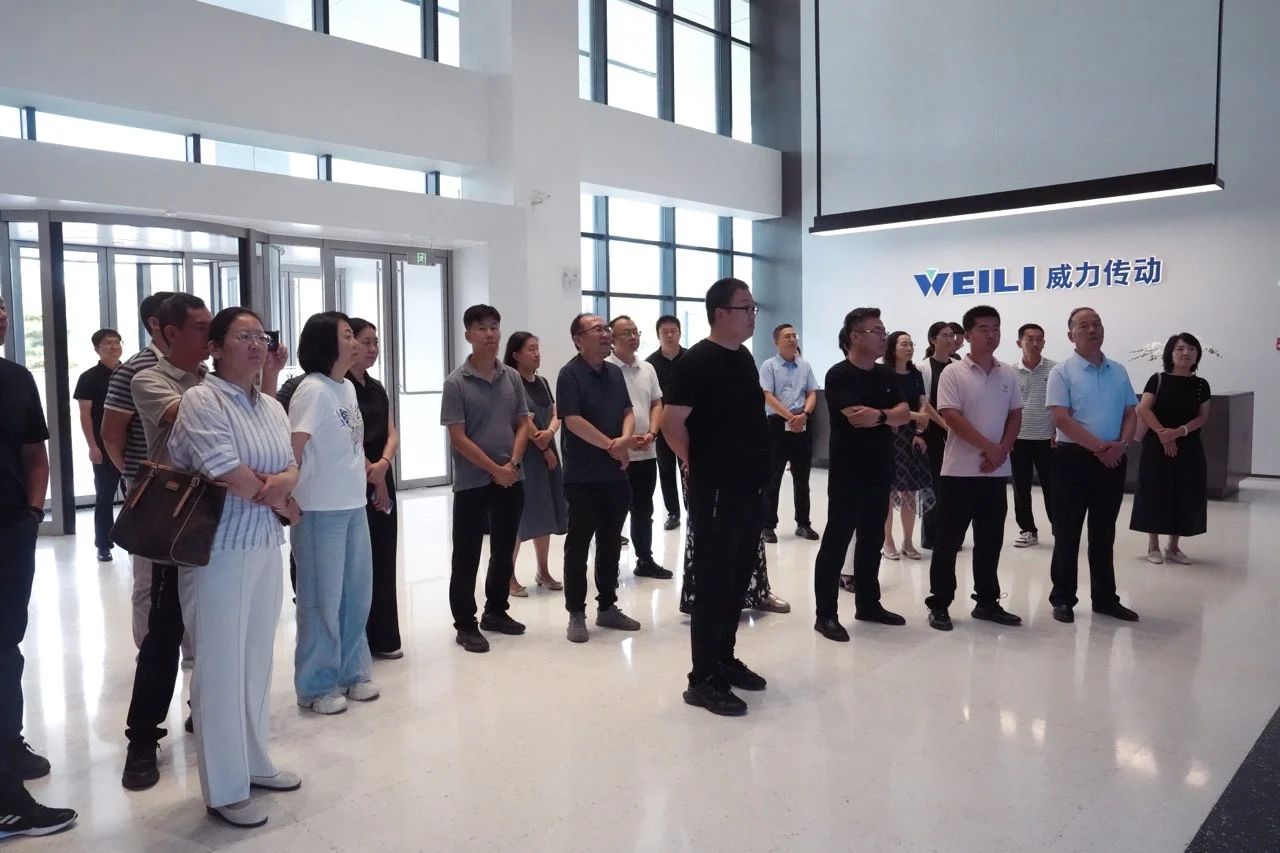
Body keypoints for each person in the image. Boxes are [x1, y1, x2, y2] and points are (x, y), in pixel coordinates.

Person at [167, 307, 302, 828]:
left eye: (260, 336)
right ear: (216, 347)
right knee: (220, 667)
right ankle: (224, 788)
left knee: (255, 660)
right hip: (216, 551)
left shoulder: (270, 405)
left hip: (264, 543)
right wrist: (278, 491)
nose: (255, 344)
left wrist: (281, 484)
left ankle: (254, 762)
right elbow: (225, 470)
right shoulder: (202, 400)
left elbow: (291, 464)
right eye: (243, 336)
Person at [663, 278, 771, 716]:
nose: (752, 315)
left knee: (737, 577)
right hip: (716, 491)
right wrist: (698, 464)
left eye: (753, 307)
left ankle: (724, 659)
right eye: (746, 308)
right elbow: (672, 424)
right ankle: (702, 679)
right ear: (721, 313)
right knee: (713, 581)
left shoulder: (742, 357)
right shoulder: (697, 361)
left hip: (748, 486)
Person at [120, 294, 213, 791]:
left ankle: (209, 708)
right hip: (175, 516)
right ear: (169, 332)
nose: (209, 336)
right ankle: (142, 738)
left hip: (219, 510)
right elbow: (190, 418)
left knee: (214, 627)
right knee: (163, 633)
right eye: (200, 327)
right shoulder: (149, 378)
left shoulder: (212, 380)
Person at [0, 294, 78, 839]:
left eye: (3, 307)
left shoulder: (15, 378)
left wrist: (31, 513)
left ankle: (7, 746)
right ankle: (6, 800)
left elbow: (34, 453)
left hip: (10, 529)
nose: (2, 316)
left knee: (6, 646)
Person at [290, 311, 380, 710]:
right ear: (326, 343)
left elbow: (351, 447)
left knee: (356, 595)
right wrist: (287, 497)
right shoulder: (313, 390)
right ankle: (316, 686)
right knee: (320, 600)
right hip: (319, 509)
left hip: (352, 504)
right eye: (348, 335)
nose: (356, 342)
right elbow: (293, 448)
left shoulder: (345, 389)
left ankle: (352, 672)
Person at [924, 305, 1024, 631]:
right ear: (967, 335)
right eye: (983, 328)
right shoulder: (953, 372)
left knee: (990, 540)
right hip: (959, 473)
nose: (991, 334)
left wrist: (1001, 450)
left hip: (995, 472)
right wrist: (989, 448)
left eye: (996, 328)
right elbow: (951, 416)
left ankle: (987, 602)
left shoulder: (1008, 373)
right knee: (948, 541)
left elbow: (1015, 415)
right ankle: (940, 603)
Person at [813, 307, 910, 642]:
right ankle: (825, 615)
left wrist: (880, 416)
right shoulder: (839, 374)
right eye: (876, 331)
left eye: (884, 331)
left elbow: (903, 414)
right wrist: (889, 415)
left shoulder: (887, 375)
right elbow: (857, 417)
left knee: (872, 540)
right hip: (848, 471)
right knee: (837, 542)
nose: (884, 336)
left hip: (881, 468)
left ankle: (869, 604)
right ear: (855, 337)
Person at [441, 305, 532, 653]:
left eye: (495, 327)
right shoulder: (456, 382)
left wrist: (513, 463)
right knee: (467, 555)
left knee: (504, 548)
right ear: (468, 335)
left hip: (511, 476)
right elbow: (458, 437)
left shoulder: (511, 377)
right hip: (473, 482)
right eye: (482, 328)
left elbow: (522, 422)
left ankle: (496, 610)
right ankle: (466, 623)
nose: (490, 334)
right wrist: (496, 470)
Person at [1046, 307, 1140, 624]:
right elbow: (1061, 419)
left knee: (1103, 532)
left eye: (1097, 324)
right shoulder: (1062, 372)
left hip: (1113, 459)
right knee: (1067, 532)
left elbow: (1130, 413)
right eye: (1084, 325)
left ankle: (1105, 599)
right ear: (1070, 334)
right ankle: (1063, 599)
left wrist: (1121, 445)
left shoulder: (1119, 371)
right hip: (1072, 460)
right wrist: (1099, 448)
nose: (1092, 329)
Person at [557, 313, 642, 643]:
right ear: (578, 340)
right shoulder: (569, 374)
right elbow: (573, 420)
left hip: (615, 474)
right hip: (582, 476)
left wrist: (624, 441)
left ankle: (607, 606)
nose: (606, 334)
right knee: (578, 546)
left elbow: (628, 411)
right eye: (598, 330)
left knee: (610, 543)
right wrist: (611, 445)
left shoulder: (614, 373)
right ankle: (576, 613)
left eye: (606, 329)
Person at [100, 291, 177, 650]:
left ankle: (190, 650)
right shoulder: (135, 369)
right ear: (157, 324)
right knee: (147, 576)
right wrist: (135, 477)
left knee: (189, 570)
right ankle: (149, 651)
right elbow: (111, 434)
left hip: (194, 485)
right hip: (150, 487)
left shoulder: (198, 369)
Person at [346, 318, 403, 659]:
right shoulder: (340, 387)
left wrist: (383, 465)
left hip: (381, 473)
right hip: (356, 477)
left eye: (375, 342)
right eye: (366, 342)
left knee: (383, 555)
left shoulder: (377, 387)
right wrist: (373, 472)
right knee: (358, 561)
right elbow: (347, 439)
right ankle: (359, 638)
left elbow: (392, 432)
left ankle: (385, 636)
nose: (372, 348)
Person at [1130, 333, 1211, 565]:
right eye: (1180, 349)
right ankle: (1153, 544)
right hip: (1156, 446)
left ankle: (1173, 547)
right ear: (1170, 353)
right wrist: (1164, 435)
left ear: (1197, 354)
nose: (1186, 353)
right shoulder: (1157, 379)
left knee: (1185, 492)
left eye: (1191, 349)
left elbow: (1203, 417)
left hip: (1189, 446)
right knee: (1155, 491)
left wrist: (1179, 432)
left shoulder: (1201, 385)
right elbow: (1144, 409)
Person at [607, 315, 672, 579]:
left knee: (644, 510)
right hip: (616, 454)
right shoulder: (605, 369)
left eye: (636, 332)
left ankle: (645, 560)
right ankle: (608, 566)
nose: (633, 337)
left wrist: (653, 433)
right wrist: (623, 440)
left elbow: (657, 403)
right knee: (613, 511)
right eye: (627, 333)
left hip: (646, 452)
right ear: (612, 339)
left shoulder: (647, 369)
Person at [504, 332, 565, 593]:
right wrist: (543, 445)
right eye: (531, 349)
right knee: (519, 515)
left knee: (546, 510)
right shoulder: (510, 382)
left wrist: (550, 432)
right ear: (516, 354)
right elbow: (522, 419)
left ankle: (543, 570)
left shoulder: (542, 382)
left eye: (537, 348)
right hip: (525, 454)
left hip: (546, 450)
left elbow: (556, 412)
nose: (537, 353)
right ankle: (508, 576)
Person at [759, 323, 820, 543]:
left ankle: (803, 524)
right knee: (772, 477)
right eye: (787, 336)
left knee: (802, 478)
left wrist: (804, 414)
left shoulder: (805, 365)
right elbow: (768, 396)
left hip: (802, 423)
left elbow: (811, 393)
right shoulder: (769, 366)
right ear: (776, 341)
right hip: (777, 425)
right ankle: (768, 525)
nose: (793, 339)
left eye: (794, 335)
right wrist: (789, 417)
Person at [880, 331, 935, 561]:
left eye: (911, 344)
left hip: (912, 436)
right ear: (892, 348)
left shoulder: (915, 374)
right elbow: (888, 410)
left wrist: (920, 428)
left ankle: (908, 541)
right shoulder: (884, 374)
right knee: (888, 492)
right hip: (890, 435)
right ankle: (887, 541)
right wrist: (915, 416)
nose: (909, 348)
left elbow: (923, 402)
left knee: (910, 491)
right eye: (904, 344)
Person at [73, 328, 124, 563]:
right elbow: (85, 415)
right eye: (108, 343)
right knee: (105, 496)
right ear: (97, 349)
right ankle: (103, 544)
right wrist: (92, 446)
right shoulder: (88, 378)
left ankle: (134, 541)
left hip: (131, 445)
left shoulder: (131, 373)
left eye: (117, 342)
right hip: (104, 447)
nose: (114, 347)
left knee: (136, 497)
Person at [1010, 323, 1056, 548]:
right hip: (1018, 439)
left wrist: (1058, 431)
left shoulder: (1055, 370)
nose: (1035, 343)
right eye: (1030, 339)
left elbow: (1063, 404)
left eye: (1039, 339)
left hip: (1048, 439)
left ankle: (1060, 529)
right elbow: (1005, 407)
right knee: (1020, 488)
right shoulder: (1009, 372)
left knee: (1054, 487)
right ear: (1019, 343)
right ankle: (1027, 530)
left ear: (1044, 343)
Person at [917, 321, 959, 550]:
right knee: (932, 484)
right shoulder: (923, 367)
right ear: (933, 340)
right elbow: (925, 403)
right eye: (945, 335)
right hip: (933, 434)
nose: (950, 339)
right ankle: (930, 536)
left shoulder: (957, 366)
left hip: (956, 434)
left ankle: (949, 534)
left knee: (952, 486)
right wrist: (945, 425)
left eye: (952, 335)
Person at [645, 315, 687, 531]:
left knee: (689, 467)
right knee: (666, 469)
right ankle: (673, 512)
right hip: (662, 427)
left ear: (680, 333)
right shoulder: (650, 364)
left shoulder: (691, 358)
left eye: (673, 331)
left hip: (689, 426)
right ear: (658, 335)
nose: (669, 335)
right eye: (665, 332)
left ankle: (692, 508)